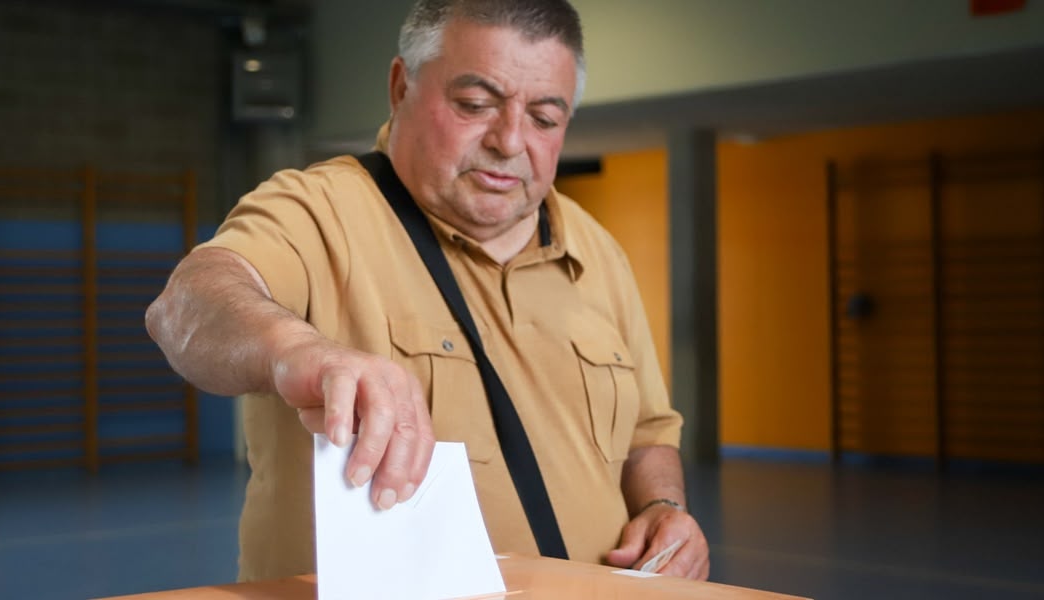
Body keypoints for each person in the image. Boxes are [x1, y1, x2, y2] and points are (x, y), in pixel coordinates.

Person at [146, 0, 710, 582]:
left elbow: (648, 435)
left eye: (545, 118)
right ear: (400, 86)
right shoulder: (320, 211)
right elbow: (188, 304)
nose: (510, 140)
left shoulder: (598, 251)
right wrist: (299, 349)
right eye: (475, 105)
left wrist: (662, 508)